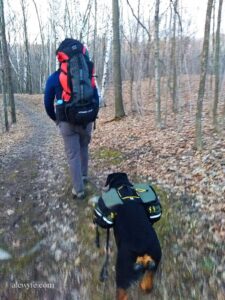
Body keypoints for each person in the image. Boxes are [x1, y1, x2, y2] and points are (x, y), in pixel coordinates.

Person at [44, 38, 99, 199]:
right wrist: (91, 115)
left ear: (61, 57)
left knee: (73, 155)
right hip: (87, 118)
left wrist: (56, 119)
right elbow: (95, 95)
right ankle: (83, 176)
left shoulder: (54, 78)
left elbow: (47, 102)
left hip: (67, 121)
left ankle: (79, 190)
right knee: (83, 148)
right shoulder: (87, 73)